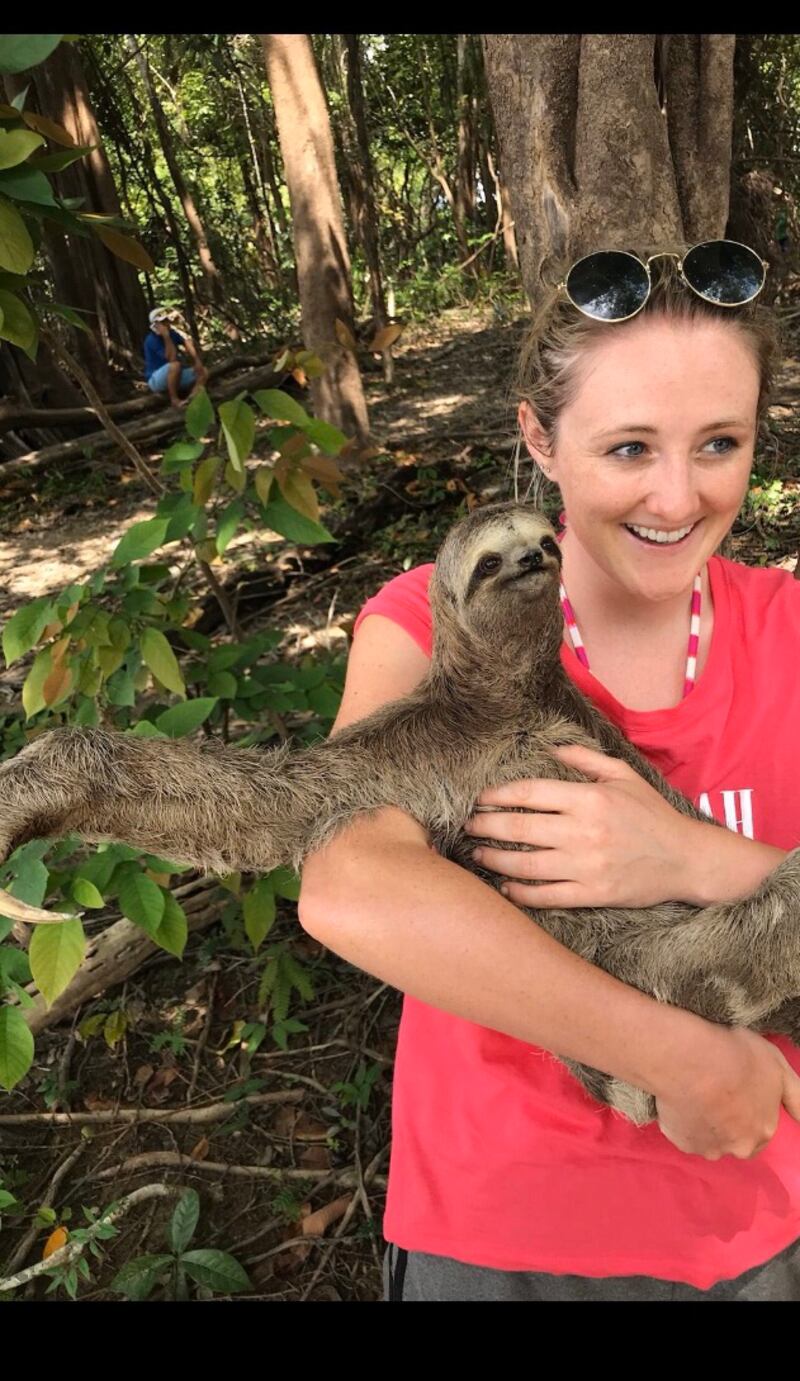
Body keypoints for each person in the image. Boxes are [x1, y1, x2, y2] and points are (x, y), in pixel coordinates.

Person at [298, 242, 800, 1302]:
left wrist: (690, 853)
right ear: (538, 438)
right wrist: (680, 1058)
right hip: (505, 1237)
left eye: (718, 441)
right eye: (626, 448)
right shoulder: (436, 622)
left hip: (756, 1223)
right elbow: (347, 882)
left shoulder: (787, 632)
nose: (678, 494)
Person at [143, 307, 208, 408]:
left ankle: (192, 398)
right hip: (156, 380)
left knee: (203, 372)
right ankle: (174, 400)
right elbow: (172, 358)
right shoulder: (151, 340)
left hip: (175, 375)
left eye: (166, 321)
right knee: (175, 365)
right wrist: (166, 336)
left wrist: (197, 361)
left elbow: (186, 342)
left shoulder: (173, 333)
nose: (167, 324)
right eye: (163, 322)